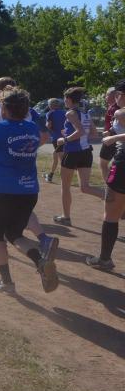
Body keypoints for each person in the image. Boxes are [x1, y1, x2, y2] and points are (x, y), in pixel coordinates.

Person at [0, 87, 59, 294]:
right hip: (29, 190)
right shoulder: (32, 128)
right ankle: (41, 262)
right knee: (14, 234)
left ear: (4, 109)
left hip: (3, 190)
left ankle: (7, 282)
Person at [0, 76, 56, 256]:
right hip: (26, 169)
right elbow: (44, 135)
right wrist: (26, 148)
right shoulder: (29, 110)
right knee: (21, 205)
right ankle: (43, 238)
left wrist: (8, 151)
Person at [53, 87, 104, 225]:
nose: (64, 101)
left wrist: (65, 139)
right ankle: (112, 197)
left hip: (72, 152)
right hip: (86, 152)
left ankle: (66, 217)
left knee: (65, 186)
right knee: (85, 187)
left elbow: (80, 131)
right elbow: (94, 134)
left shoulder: (70, 113)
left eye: (65, 98)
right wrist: (70, 134)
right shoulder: (85, 113)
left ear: (69, 99)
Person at [89, 82, 125, 271]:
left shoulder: (121, 112)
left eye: (118, 94)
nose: (116, 98)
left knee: (111, 214)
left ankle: (104, 260)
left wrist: (113, 138)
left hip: (123, 164)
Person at [98, 87, 118, 182]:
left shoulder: (114, 108)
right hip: (114, 139)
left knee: (103, 164)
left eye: (106, 94)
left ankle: (109, 185)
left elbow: (116, 124)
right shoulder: (113, 107)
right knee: (114, 164)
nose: (105, 97)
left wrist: (109, 131)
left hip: (111, 139)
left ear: (113, 95)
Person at [44, 98, 66, 182]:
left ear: (50, 105)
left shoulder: (50, 113)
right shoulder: (64, 112)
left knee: (62, 159)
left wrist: (46, 126)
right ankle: (50, 175)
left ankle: (64, 179)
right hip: (65, 137)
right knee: (55, 155)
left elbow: (48, 125)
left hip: (56, 138)